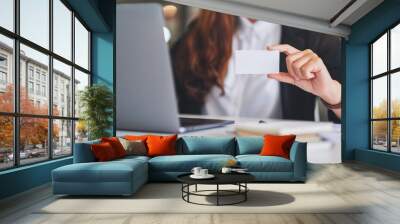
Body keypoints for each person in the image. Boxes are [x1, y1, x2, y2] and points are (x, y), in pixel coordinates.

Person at [170, 10, 342, 122]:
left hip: (279, 153)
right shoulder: (198, 32)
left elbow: (354, 123)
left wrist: (331, 94)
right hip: (206, 149)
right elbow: (166, 94)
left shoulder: (312, 33)